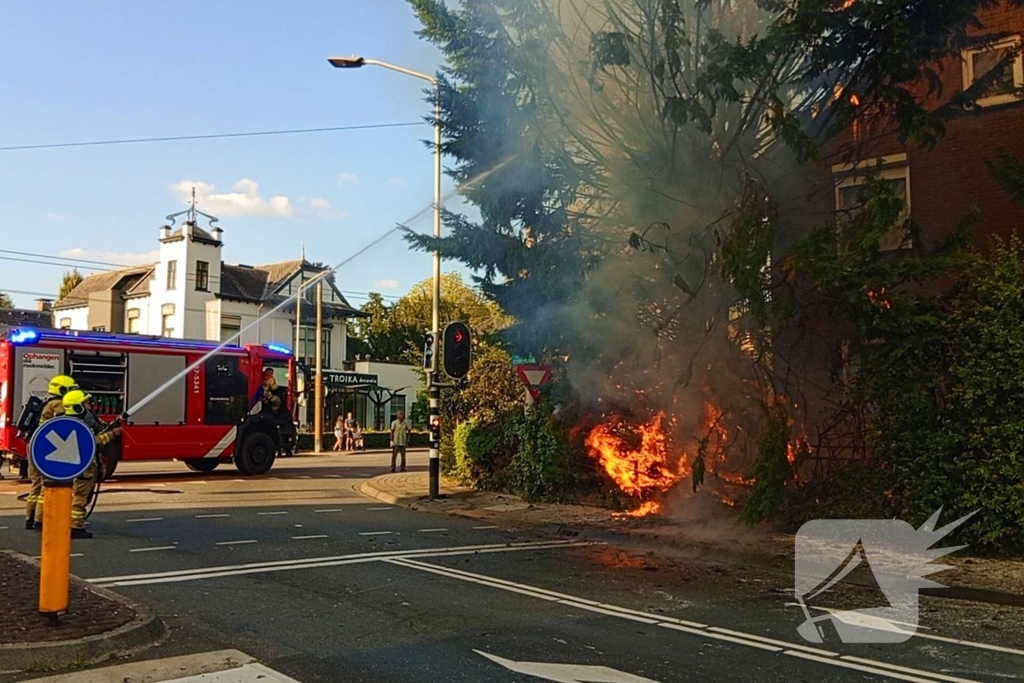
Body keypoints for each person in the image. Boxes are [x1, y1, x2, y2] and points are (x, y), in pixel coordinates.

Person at [62, 389, 121, 539]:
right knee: (81, 497)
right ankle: (76, 526)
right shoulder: (78, 425)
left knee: (80, 496)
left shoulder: (67, 422)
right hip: (84, 467)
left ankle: (68, 522)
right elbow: (93, 441)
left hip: (79, 465)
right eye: (86, 403)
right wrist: (112, 434)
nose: (90, 406)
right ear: (78, 407)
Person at [24, 375, 77, 531]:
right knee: (46, 485)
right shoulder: (58, 405)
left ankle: (30, 518)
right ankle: (41, 520)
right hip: (46, 449)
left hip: (34, 446)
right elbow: (66, 425)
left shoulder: (46, 402)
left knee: (35, 486)